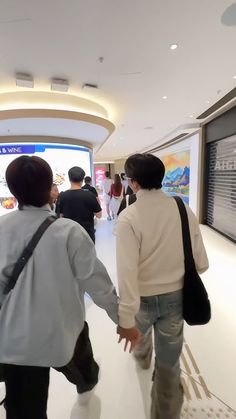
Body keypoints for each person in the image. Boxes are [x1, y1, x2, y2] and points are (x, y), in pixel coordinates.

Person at [0, 155, 119, 419]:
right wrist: (122, 319)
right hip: (63, 331)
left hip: (15, 342)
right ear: (49, 187)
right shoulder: (70, 232)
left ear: (12, 189)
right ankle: (86, 384)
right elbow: (96, 282)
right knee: (82, 366)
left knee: (24, 410)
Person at [116, 153, 209, 419]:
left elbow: (127, 273)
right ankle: (166, 413)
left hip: (141, 300)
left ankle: (143, 356)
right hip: (175, 297)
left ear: (132, 183)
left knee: (139, 333)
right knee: (169, 364)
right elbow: (200, 261)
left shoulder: (128, 217)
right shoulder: (181, 208)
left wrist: (125, 319)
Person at [59, 167, 102, 243]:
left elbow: (60, 216)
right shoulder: (90, 195)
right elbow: (99, 215)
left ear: (69, 179)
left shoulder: (62, 196)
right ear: (82, 179)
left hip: (69, 236)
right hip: (87, 235)